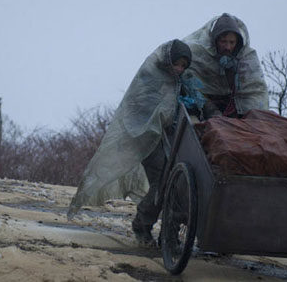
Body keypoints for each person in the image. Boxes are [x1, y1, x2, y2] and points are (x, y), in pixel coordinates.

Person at [67, 40, 193, 246]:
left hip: (169, 139)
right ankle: (142, 225)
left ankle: (169, 233)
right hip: (145, 139)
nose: (179, 69)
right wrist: (163, 112)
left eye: (183, 66)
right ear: (168, 59)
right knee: (162, 182)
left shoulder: (181, 81)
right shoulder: (150, 76)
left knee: (177, 183)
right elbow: (137, 107)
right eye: (177, 63)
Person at [182, 13, 269, 119]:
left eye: (232, 42)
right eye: (223, 41)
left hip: (236, 107)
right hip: (205, 106)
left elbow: (255, 89)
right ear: (215, 40)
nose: (228, 47)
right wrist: (211, 110)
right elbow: (191, 83)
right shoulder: (199, 53)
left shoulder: (246, 58)